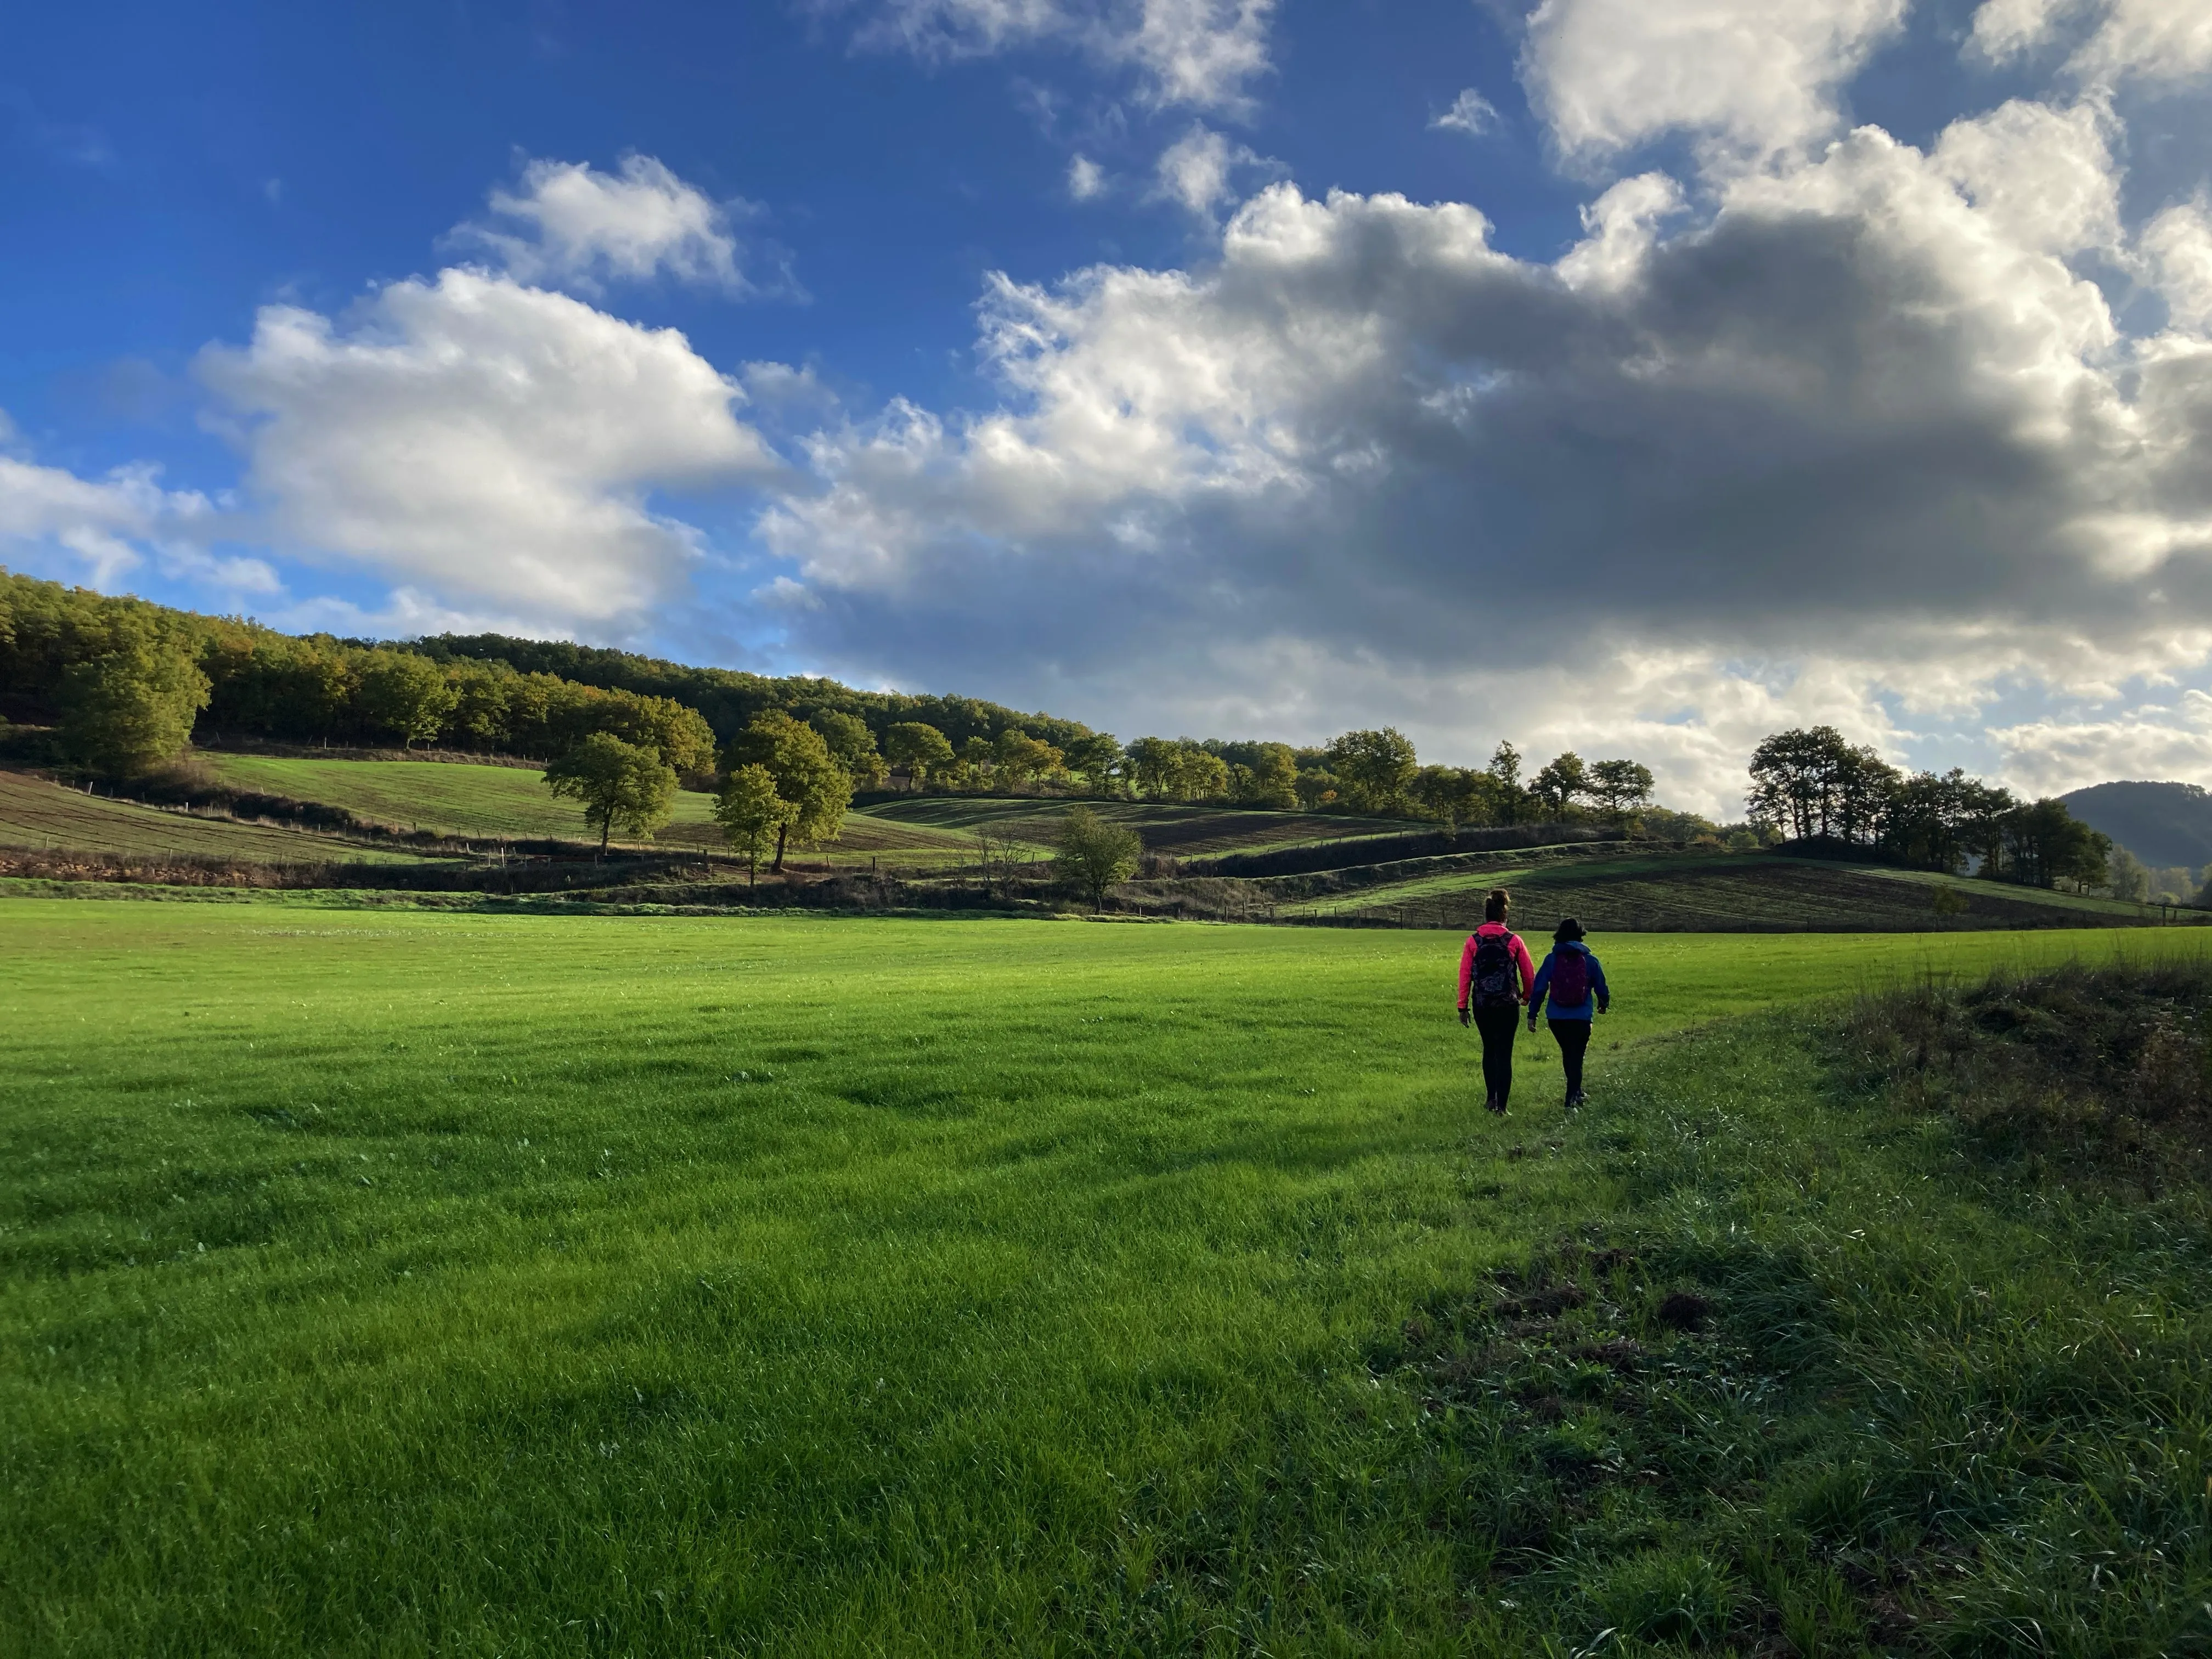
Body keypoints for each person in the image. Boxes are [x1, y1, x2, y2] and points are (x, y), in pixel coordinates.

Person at [1457, 888, 1536, 1114]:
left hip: (1482, 1005)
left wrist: (1463, 1006)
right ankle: (1503, 1106)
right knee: (1505, 1053)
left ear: (1486, 914)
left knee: (1489, 1050)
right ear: (1505, 915)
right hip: (1507, 1005)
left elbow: (1465, 976)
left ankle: (1490, 1099)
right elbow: (1528, 973)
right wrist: (1527, 996)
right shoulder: (1514, 940)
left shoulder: (1473, 941)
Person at [1527, 917, 1610, 1107]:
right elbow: (1601, 986)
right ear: (1581, 936)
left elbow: (1539, 989)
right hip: (1581, 1017)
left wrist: (1533, 1014)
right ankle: (1572, 1098)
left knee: (1568, 1054)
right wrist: (1604, 1003)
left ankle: (1576, 1092)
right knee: (1577, 1056)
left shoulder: (1551, 960)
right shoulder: (1590, 960)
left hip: (1557, 1018)